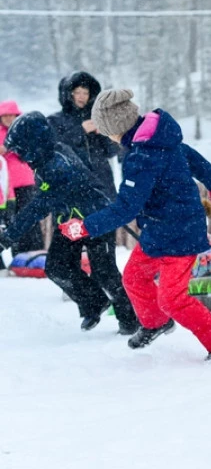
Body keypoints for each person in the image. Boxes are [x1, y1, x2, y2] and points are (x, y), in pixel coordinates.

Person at [57, 89, 211, 362]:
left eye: (105, 131)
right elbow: (192, 157)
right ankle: (156, 323)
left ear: (116, 128)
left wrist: (84, 227)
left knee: (173, 299)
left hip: (180, 233)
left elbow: (126, 208)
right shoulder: (159, 138)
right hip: (158, 229)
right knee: (133, 278)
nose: (105, 136)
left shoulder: (142, 156)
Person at [0, 112, 140, 334]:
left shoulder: (57, 165)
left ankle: (131, 320)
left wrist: (7, 237)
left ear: (33, 142)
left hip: (95, 220)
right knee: (57, 267)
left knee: (104, 272)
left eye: (21, 149)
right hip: (69, 222)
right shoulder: (44, 160)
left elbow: (38, 206)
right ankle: (94, 302)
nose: (21, 156)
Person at [48, 71, 120, 199]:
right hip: (71, 182)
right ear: (69, 94)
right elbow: (52, 148)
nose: (82, 97)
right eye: (77, 92)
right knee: (73, 219)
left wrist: (104, 133)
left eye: (86, 93)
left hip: (102, 182)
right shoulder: (55, 120)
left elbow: (112, 151)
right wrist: (80, 131)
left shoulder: (98, 118)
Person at [0, 100, 44, 259]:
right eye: (5, 116)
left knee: (31, 217)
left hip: (27, 183)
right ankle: (19, 255)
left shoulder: (24, 131)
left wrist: (13, 147)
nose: (8, 118)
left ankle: (37, 253)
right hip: (6, 187)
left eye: (11, 115)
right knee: (14, 221)